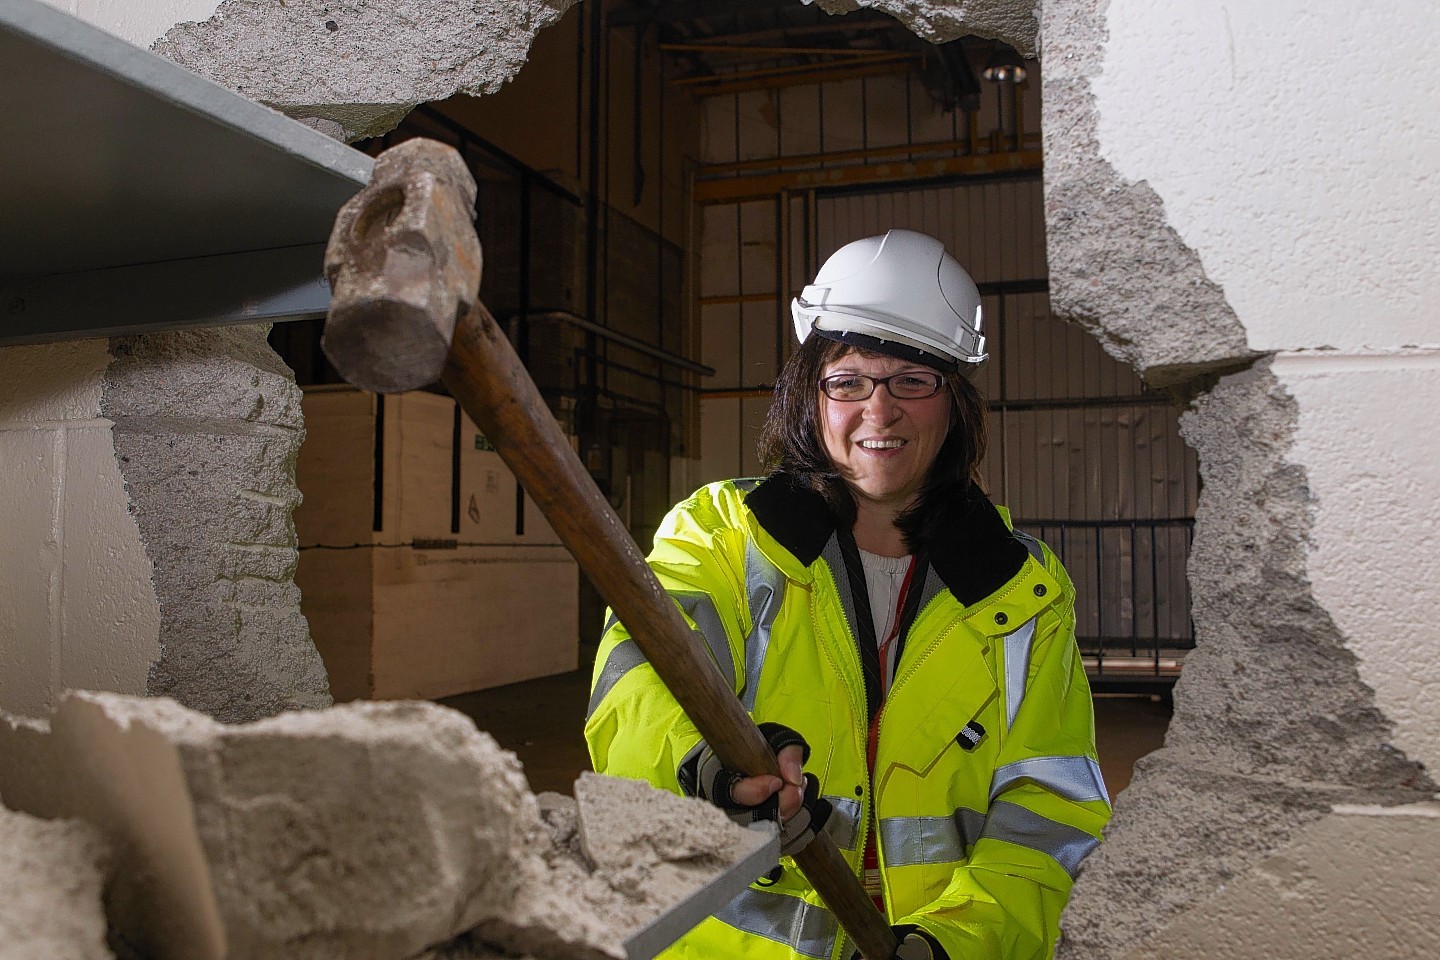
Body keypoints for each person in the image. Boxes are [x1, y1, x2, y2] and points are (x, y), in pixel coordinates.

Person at [584, 229, 1111, 960]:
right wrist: (707, 763)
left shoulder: (1021, 588)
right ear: (813, 394)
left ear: (953, 400)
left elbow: (1051, 812)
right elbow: (635, 686)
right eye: (850, 379)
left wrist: (954, 943)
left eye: (912, 380)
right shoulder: (722, 538)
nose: (880, 409)